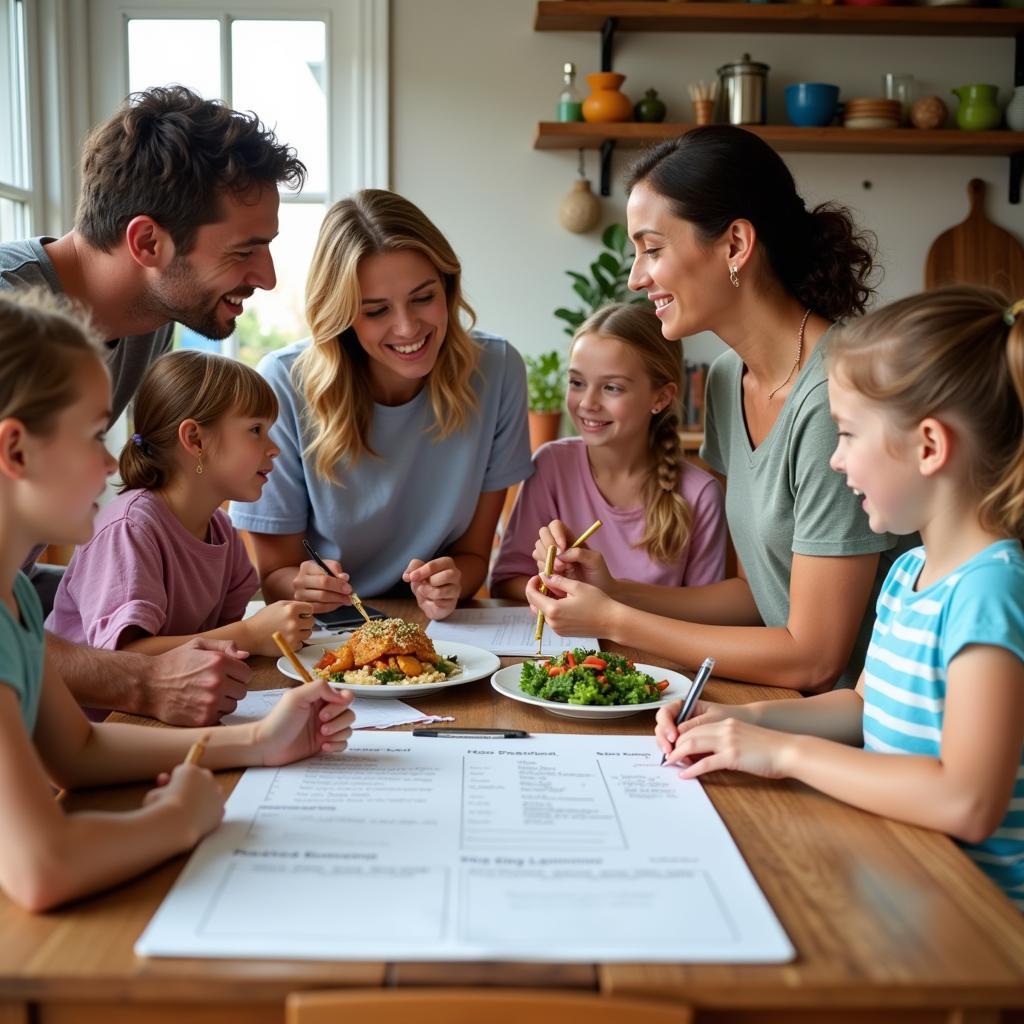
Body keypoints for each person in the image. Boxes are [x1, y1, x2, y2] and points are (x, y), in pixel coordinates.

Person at [657, 286, 1024, 910]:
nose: (834, 459)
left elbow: (966, 802)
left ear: (929, 447)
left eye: (849, 433)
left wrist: (784, 753)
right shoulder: (910, 570)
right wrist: (740, 722)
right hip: (905, 874)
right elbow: (860, 706)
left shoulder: (991, 591)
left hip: (978, 926)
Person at [0, 288, 353, 913]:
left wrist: (260, 743)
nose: (112, 458)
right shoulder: (125, 527)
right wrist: (181, 819)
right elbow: (43, 869)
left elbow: (77, 753)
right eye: (91, 434)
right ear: (16, 450)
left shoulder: (17, 607)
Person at [527, 126, 897, 692]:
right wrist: (612, 591)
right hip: (783, 703)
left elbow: (816, 657)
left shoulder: (833, 399)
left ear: (735, 245)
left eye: (652, 248)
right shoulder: (728, 378)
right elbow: (756, 597)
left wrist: (616, 621)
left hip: (867, 733)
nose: (635, 277)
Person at [0, 85, 306, 724]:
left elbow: (25, 604)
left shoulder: (148, 321)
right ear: (147, 244)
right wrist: (136, 677)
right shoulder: (13, 318)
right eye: (245, 249)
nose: (268, 276)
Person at [231, 189, 534, 621]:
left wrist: (451, 584)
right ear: (342, 316)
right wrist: (307, 586)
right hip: (328, 631)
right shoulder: (283, 382)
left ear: (447, 287)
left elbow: (471, 557)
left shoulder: (498, 370)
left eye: (423, 297)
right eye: (376, 311)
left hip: (442, 629)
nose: (408, 327)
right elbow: (276, 575)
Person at [48, 350, 313, 658]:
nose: (275, 449)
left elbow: (219, 647)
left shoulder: (222, 532)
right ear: (195, 439)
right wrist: (250, 634)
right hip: (102, 708)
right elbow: (124, 658)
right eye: (256, 430)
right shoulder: (129, 529)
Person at [490, 302, 726, 598]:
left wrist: (605, 596)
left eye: (612, 388)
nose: (587, 402)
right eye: (577, 382)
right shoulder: (551, 465)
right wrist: (551, 583)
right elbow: (504, 583)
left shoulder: (700, 494)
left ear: (661, 397)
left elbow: (706, 611)